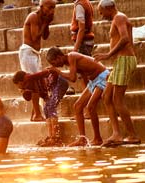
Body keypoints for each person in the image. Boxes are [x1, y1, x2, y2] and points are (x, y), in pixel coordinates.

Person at [94, 0, 141, 146]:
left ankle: (132, 135)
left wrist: (108, 54)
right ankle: (117, 134)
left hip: (125, 60)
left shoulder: (119, 17)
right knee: (106, 96)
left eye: (102, 12)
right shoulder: (118, 18)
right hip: (120, 61)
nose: (102, 16)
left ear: (109, 8)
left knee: (117, 99)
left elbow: (125, 38)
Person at [46, 46, 110, 146]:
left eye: (55, 63)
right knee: (77, 106)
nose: (56, 66)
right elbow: (84, 73)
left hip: (102, 76)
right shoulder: (68, 61)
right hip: (93, 81)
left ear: (59, 57)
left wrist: (58, 72)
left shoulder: (71, 56)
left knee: (91, 107)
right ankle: (82, 139)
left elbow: (72, 78)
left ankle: (97, 138)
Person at [19, 0, 56, 122]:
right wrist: (45, 23)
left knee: (39, 83)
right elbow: (35, 37)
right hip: (28, 52)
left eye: (53, 8)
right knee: (33, 84)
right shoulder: (33, 16)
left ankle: (34, 114)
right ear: (41, 6)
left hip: (34, 54)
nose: (51, 10)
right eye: (49, 8)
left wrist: (47, 23)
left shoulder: (42, 18)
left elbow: (44, 36)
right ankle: (37, 114)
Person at [12, 68, 68, 147]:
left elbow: (31, 97)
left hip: (60, 83)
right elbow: (33, 96)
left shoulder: (28, 80)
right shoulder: (30, 81)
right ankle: (51, 136)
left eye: (18, 85)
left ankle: (56, 138)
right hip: (56, 84)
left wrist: (23, 91)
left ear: (20, 82)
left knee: (51, 107)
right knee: (46, 108)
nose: (19, 87)